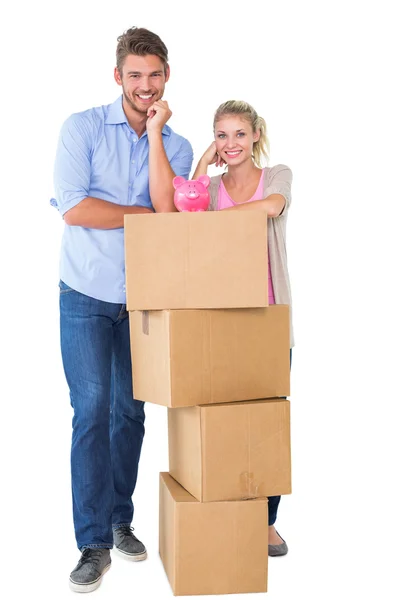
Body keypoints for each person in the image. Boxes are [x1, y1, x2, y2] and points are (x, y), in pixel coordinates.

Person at [51, 26, 193, 592]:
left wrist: (156, 135)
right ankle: (92, 543)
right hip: (85, 292)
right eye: (135, 75)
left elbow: (168, 208)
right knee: (90, 412)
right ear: (118, 77)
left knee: (130, 414)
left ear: (166, 78)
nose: (144, 84)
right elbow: (74, 207)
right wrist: (144, 217)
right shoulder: (82, 128)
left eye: (154, 75)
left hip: (144, 299)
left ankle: (119, 519)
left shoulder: (175, 145)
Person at [193, 100, 294, 557]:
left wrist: (213, 221)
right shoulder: (210, 190)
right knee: (226, 423)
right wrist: (199, 163)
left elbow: (271, 209)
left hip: (269, 317)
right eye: (221, 135)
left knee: (267, 423)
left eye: (238, 134)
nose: (229, 143)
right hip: (223, 319)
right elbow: (183, 219)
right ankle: (230, 514)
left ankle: (267, 521)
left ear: (255, 135)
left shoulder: (277, 176)